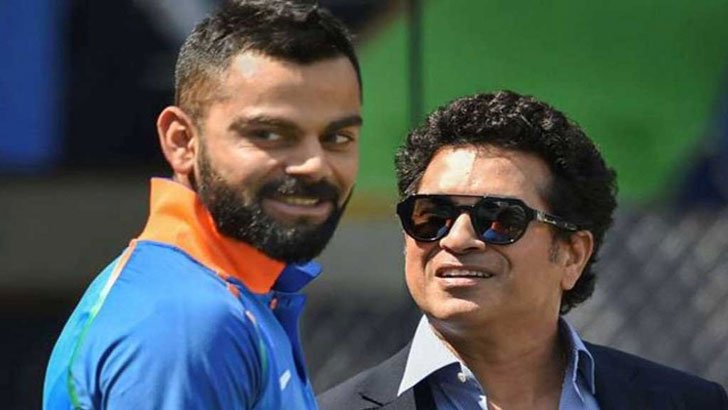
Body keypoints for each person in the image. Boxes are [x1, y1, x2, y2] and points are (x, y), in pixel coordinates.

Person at [318, 91, 728, 409]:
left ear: (572, 254)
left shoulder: (687, 403)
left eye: (499, 219)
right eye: (431, 216)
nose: (456, 239)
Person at [44, 1, 362, 408]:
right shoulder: (188, 320)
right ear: (181, 142)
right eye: (269, 134)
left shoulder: (217, 299)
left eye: (337, 138)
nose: (314, 164)